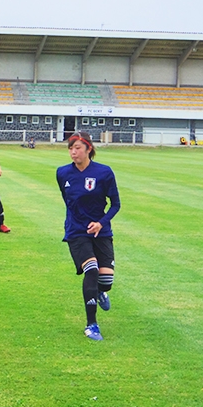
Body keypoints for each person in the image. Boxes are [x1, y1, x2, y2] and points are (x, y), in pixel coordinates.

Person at [56, 131, 120, 341]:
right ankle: (91, 325)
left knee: (106, 279)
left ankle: (100, 291)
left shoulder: (104, 172)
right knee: (90, 269)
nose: (73, 152)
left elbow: (115, 204)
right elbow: (69, 201)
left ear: (88, 149)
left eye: (77, 148)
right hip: (76, 231)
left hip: (101, 231)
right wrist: (79, 223)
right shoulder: (62, 173)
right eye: (70, 148)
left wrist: (100, 223)